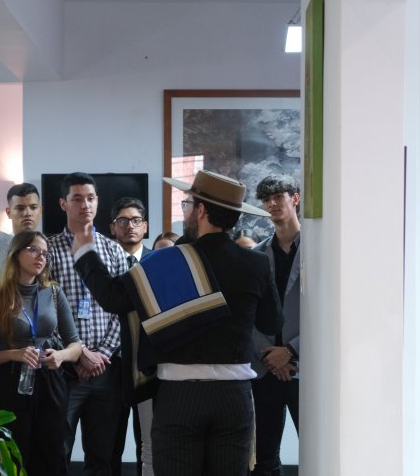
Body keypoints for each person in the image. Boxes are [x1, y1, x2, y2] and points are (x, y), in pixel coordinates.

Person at [71, 170, 282, 476]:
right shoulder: (256, 262)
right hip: (234, 395)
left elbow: (114, 299)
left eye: (188, 204)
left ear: (201, 210)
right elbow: (272, 321)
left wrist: (84, 251)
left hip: (180, 395)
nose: (186, 212)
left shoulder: (167, 260)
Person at [47, 172, 128, 476]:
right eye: (77, 199)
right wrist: (79, 353)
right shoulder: (49, 250)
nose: (85, 205)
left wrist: (101, 355)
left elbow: (124, 311)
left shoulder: (113, 250)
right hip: (65, 370)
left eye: (91, 198)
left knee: (102, 456)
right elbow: (46, 312)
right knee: (58, 451)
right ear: (63, 204)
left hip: (105, 370)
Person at [0, 230, 83, 475]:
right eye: (34, 250)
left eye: (45, 254)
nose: (41, 257)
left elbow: (75, 346)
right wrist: (13, 354)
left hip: (49, 382)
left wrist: (60, 356)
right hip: (9, 382)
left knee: (50, 454)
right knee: (13, 456)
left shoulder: (53, 293)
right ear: (16, 254)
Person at [251, 174, 301, 476]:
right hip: (266, 366)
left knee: (318, 447)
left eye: (278, 196)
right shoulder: (257, 255)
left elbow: (328, 310)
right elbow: (248, 312)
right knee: (265, 458)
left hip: (304, 367)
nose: (272, 203)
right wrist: (269, 354)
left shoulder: (319, 249)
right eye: (266, 199)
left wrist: (291, 351)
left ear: (294, 198)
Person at [109, 197, 151, 476]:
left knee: (147, 443)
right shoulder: (102, 264)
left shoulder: (158, 261)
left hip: (148, 365)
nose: (130, 226)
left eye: (136, 220)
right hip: (111, 364)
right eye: (122, 221)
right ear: (113, 227)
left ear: (145, 226)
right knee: (108, 443)